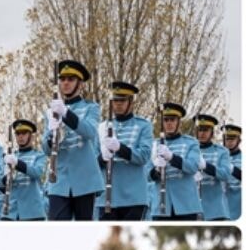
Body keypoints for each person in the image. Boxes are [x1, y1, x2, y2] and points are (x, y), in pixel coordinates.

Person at [43, 60, 104, 220]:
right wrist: (51, 135)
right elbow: (46, 149)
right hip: (59, 180)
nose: (65, 83)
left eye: (71, 79)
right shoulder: (50, 112)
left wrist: (66, 113)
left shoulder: (91, 107)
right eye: (62, 79)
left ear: (80, 84)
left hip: (85, 179)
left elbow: (89, 131)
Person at [94, 81, 154, 220]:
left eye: (122, 100)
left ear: (131, 102)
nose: (118, 104)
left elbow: (144, 156)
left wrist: (120, 148)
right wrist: (102, 157)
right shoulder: (102, 127)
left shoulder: (143, 126)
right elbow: (93, 164)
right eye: (115, 100)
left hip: (134, 197)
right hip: (107, 196)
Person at [149, 102, 202, 220]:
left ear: (179, 122)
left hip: (186, 205)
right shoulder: (154, 144)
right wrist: (156, 170)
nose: (169, 123)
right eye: (166, 120)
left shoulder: (191, 143)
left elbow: (193, 167)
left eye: (172, 119)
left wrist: (172, 157)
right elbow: (146, 175)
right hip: (161, 205)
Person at [2, 119, 49, 220]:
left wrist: (17, 163)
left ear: (31, 136)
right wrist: (5, 178)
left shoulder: (39, 156)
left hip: (32, 211)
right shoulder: (10, 157)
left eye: (24, 133)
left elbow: (37, 172)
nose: (20, 136)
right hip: (11, 211)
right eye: (18, 133)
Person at [193, 114, 232, 220]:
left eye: (206, 130)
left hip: (216, 209)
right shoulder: (189, 150)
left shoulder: (222, 151)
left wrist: (206, 166)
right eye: (200, 130)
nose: (202, 133)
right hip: (192, 208)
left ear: (211, 132)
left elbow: (225, 174)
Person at [224, 123, 241, 220]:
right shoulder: (218, 156)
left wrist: (231, 168)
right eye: (227, 139)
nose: (229, 142)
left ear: (239, 140)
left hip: (237, 206)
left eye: (232, 139)